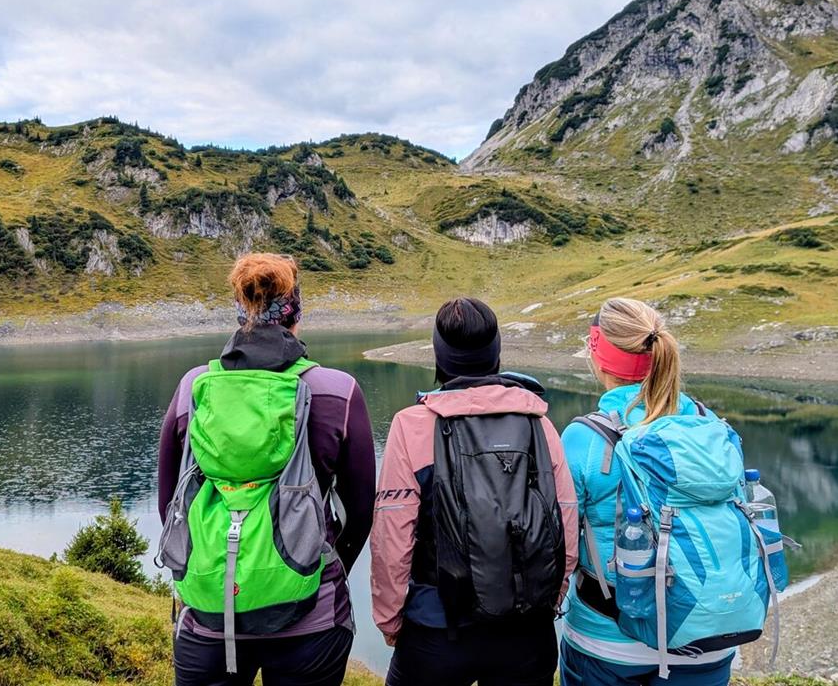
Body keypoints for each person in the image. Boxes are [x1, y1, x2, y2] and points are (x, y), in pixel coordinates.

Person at [157, 253, 376, 686]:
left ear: (241, 312)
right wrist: (324, 565)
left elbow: (170, 502)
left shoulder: (193, 388)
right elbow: (360, 510)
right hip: (310, 619)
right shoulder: (337, 391)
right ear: (296, 312)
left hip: (209, 616)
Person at [372, 297, 578, 686]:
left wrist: (390, 617)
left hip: (437, 628)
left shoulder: (411, 425)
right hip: (526, 629)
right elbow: (564, 523)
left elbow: (392, 535)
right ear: (496, 351)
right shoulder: (539, 423)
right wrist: (548, 599)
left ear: (439, 354)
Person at [560, 297, 741, 686]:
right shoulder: (710, 426)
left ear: (599, 356)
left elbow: (560, 547)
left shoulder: (582, 439)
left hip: (607, 643)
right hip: (707, 634)